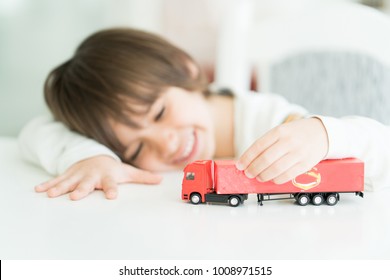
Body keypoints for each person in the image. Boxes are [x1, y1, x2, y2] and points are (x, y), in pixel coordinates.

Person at [19, 28, 390, 201]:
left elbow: (380, 152)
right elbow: (36, 130)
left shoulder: (274, 122)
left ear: (185, 67)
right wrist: (93, 158)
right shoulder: (106, 150)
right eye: (135, 150)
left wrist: (323, 134)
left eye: (160, 112)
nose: (165, 142)